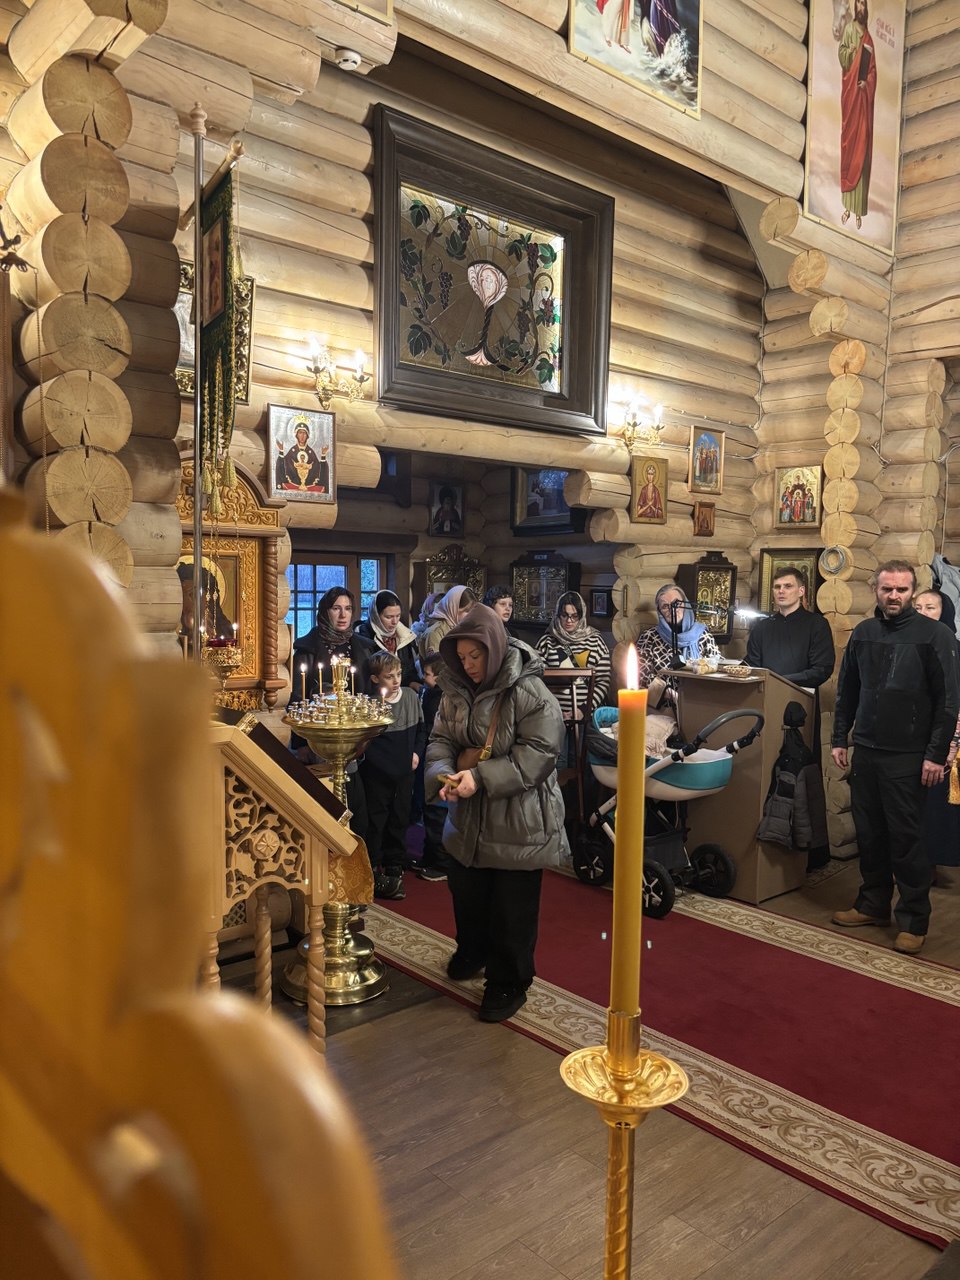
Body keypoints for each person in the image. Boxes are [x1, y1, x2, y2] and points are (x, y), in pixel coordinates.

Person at [426, 604, 567, 1022]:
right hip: (468, 814)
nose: (468, 665)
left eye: (476, 655)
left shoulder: (529, 691)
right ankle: (473, 951)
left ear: (495, 648)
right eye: (462, 657)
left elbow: (540, 752)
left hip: (519, 817)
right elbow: (440, 740)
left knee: (511, 907)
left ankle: (509, 980)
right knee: (467, 892)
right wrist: (443, 774)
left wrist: (481, 777)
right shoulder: (455, 691)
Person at [830, 561, 960, 955]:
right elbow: (847, 690)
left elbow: (948, 701)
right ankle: (872, 905)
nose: (894, 596)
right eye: (887, 589)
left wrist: (936, 755)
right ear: (876, 589)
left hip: (910, 757)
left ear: (912, 591)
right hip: (867, 750)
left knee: (906, 839)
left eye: (902, 590)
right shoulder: (864, 633)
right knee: (870, 834)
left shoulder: (936, 636)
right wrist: (839, 738)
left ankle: (913, 920)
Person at [746, 566, 836, 869]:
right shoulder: (762, 627)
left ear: (801, 591)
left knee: (801, 779)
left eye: (787, 586)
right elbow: (753, 666)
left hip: (800, 710)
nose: (781, 591)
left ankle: (810, 855)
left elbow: (821, 669)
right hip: (765, 708)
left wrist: (778, 679)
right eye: (777, 587)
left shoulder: (816, 625)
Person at [288, 586, 377, 838]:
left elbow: (370, 693)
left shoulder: (364, 647)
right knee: (327, 806)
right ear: (325, 611)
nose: (343, 615)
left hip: (356, 737)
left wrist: (366, 736)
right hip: (321, 735)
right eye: (336, 608)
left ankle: (359, 854)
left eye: (348, 608)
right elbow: (299, 697)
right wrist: (301, 742)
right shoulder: (307, 648)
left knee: (359, 808)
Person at [358, 651, 425, 901]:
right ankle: (374, 865)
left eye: (398, 674)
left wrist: (416, 753)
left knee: (400, 816)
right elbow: (367, 745)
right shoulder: (369, 704)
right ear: (375, 679)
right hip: (378, 773)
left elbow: (421, 730)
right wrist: (385, 767)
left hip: (405, 771)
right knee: (377, 820)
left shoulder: (410, 697)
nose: (396, 680)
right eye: (389, 676)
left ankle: (395, 862)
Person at [914, 590, 960, 876]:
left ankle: (928, 862)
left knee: (935, 805)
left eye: (930, 607)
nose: (922, 613)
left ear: (945, 613)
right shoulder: (906, 645)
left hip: (942, 740)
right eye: (917, 607)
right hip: (910, 737)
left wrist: (950, 745)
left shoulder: (954, 648)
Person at [535, 591, 611, 724]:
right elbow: (536, 681)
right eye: (564, 615)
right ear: (558, 615)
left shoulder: (596, 642)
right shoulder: (546, 642)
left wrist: (583, 710)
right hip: (551, 716)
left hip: (586, 717)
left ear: (581, 616)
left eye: (574, 616)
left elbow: (603, 682)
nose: (569, 621)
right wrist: (552, 709)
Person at [635, 583, 720, 689]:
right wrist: (668, 692)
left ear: (686, 605)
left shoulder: (703, 635)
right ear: (660, 612)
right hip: (664, 698)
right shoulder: (649, 638)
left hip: (699, 695)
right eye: (665, 606)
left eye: (677, 603)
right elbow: (641, 675)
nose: (673, 609)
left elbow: (717, 665)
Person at [838, 0, 877, 231]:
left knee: (864, 150)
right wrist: (852, 52)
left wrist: (867, 83)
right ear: (854, 7)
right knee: (851, 147)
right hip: (851, 100)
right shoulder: (850, 30)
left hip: (863, 101)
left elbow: (872, 71)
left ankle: (859, 210)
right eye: (859, 3)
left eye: (864, 3)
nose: (861, 7)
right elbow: (843, 56)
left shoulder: (869, 37)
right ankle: (846, 206)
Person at [414, 652, 452, 883]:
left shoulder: (442, 698)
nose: (423, 677)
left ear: (439, 676)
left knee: (438, 811)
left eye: (427, 674)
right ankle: (429, 856)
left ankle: (441, 863)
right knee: (430, 809)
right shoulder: (432, 693)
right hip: (432, 758)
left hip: (440, 761)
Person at [357, 589, 419, 689]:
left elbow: (409, 671)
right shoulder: (363, 637)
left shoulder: (405, 636)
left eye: (398, 616)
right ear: (376, 615)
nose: (395, 622)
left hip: (400, 691)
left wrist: (413, 684)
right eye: (389, 617)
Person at [417, 584, 477, 660]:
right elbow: (437, 665)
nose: (471, 615)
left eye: (473, 611)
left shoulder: (464, 629)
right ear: (453, 608)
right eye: (467, 611)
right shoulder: (435, 633)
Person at [275, 422, 330, 493]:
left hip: (309, 486)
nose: (302, 436)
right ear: (296, 435)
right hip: (293, 485)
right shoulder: (292, 451)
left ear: (307, 436)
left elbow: (317, 468)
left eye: (304, 433)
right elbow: (283, 466)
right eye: (300, 433)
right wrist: (281, 451)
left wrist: (323, 455)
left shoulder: (310, 452)